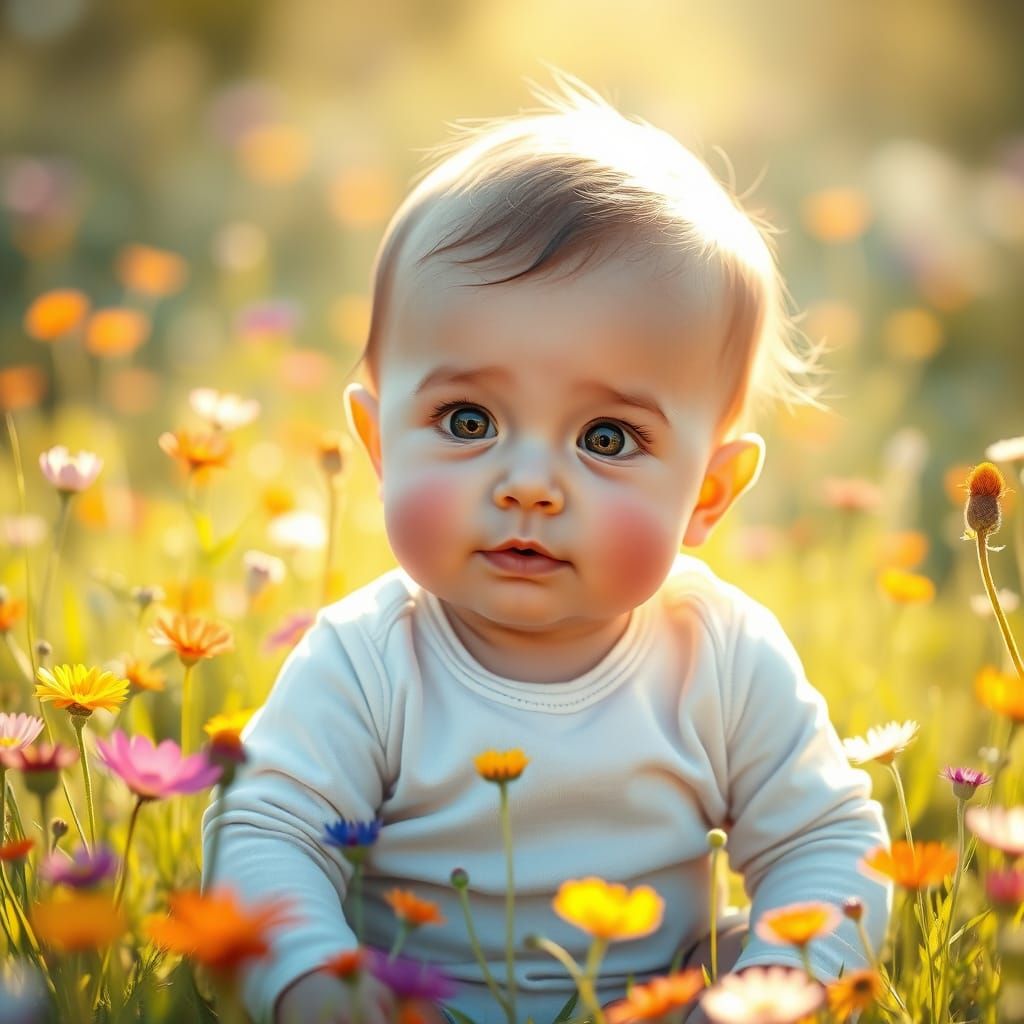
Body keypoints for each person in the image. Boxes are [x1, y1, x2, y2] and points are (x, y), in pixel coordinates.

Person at [202, 72, 891, 1024]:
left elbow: (827, 840)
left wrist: (766, 991)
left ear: (711, 494)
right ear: (377, 446)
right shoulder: (368, 657)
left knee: (755, 946)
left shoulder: (718, 655)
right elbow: (267, 827)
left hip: (664, 1004)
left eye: (607, 437)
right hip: (407, 1006)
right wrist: (319, 982)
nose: (529, 483)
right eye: (469, 418)